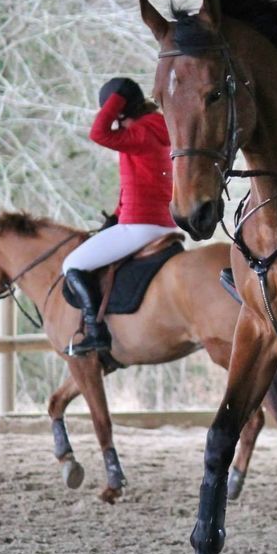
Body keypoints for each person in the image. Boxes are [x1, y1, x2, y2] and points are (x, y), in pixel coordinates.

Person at [60, 77, 179, 356]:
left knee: (72, 264)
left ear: (121, 111)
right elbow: (136, 183)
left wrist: (117, 100)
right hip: (163, 223)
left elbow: (99, 133)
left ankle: (95, 332)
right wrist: (115, 216)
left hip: (141, 225)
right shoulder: (160, 128)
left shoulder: (140, 132)